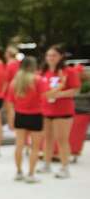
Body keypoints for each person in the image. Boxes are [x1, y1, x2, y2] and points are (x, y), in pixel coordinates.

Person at [38, 45, 81, 178]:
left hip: (62, 111)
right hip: (46, 110)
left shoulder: (68, 71)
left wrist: (59, 95)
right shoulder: (43, 72)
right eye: (48, 55)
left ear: (61, 56)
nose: (50, 58)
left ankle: (64, 167)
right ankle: (46, 164)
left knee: (62, 140)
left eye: (54, 55)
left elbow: (76, 90)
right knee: (48, 138)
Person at [9, 56, 47, 183]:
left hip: (20, 115)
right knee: (35, 147)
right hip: (36, 115)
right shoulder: (38, 80)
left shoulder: (15, 82)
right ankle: (31, 174)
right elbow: (44, 97)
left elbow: (10, 101)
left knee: (19, 145)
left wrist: (11, 117)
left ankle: (19, 172)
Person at [3, 46, 20, 132]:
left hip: (10, 89)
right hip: (18, 88)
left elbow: (6, 80)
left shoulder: (10, 64)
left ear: (8, 54)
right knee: (14, 108)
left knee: (10, 109)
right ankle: (12, 125)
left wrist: (2, 91)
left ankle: (11, 125)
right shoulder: (18, 63)